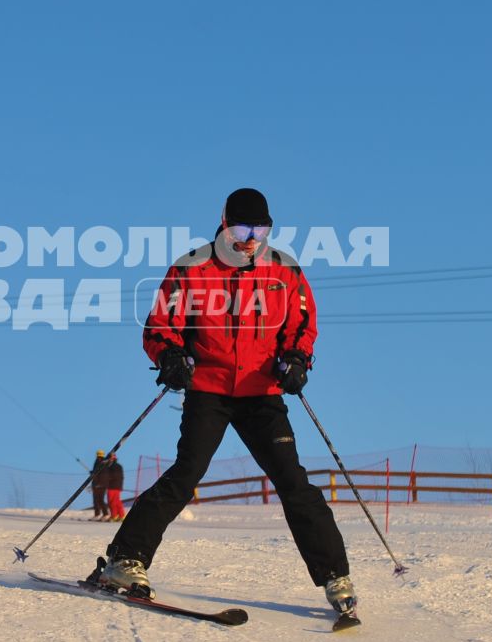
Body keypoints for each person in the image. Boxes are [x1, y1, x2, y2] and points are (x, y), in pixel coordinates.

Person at [93, 188, 356, 618]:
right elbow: (160, 326)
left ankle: (335, 576)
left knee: (293, 482)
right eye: (241, 228)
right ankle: (125, 559)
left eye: (260, 229)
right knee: (186, 473)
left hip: (261, 392)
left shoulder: (284, 270)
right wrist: (170, 355)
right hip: (209, 388)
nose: (251, 238)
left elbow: (302, 326)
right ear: (223, 222)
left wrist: (296, 360)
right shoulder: (191, 268)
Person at [89, 449, 123, 520]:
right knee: (110, 501)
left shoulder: (113, 465)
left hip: (113, 486)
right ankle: (116, 515)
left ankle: (117, 515)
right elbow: (104, 474)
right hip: (110, 485)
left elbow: (114, 476)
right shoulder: (108, 464)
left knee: (113, 501)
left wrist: (105, 480)